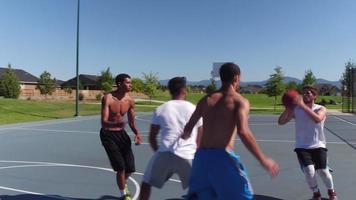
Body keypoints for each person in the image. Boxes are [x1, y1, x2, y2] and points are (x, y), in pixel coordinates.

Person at [182, 62, 279, 200]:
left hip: (201, 160)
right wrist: (264, 160)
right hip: (222, 159)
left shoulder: (206, 100)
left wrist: (184, 136)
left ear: (221, 78)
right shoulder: (239, 101)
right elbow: (243, 132)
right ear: (237, 78)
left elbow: (187, 129)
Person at [139, 77, 203, 200]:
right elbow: (201, 138)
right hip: (188, 155)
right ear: (185, 90)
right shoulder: (194, 108)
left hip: (165, 152)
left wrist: (158, 152)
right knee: (199, 188)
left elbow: (152, 137)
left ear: (169, 90)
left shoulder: (161, 108)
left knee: (146, 183)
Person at [278, 85, 337, 200]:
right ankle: (316, 193)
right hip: (302, 146)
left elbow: (317, 119)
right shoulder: (297, 110)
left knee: (323, 172)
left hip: (318, 144)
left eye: (309, 92)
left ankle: (331, 192)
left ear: (315, 96)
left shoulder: (321, 108)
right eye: (304, 92)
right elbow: (281, 122)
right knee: (310, 171)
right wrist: (288, 108)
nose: (306, 94)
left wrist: (302, 106)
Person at [100, 73, 142, 200]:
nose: (131, 85)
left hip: (121, 135)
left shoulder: (130, 100)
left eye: (131, 82)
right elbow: (104, 121)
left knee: (130, 168)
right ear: (119, 84)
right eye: (128, 82)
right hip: (108, 134)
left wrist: (137, 133)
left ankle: (123, 183)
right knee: (121, 167)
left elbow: (132, 121)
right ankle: (124, 194)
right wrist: (115, 123)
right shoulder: (108, 98)